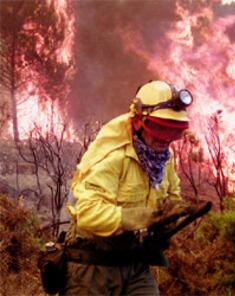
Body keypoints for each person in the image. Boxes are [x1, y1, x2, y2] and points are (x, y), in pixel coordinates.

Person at [61, 80, 195, 295]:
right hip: (93, 266)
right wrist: (144, 217)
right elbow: (88, 213)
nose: (166, 139)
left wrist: (173, 212)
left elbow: (171, 195)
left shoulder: (162, 160)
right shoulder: (112, 157)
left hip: (134, 263)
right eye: (160, 128)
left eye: (173, 131)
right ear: (139, 122)